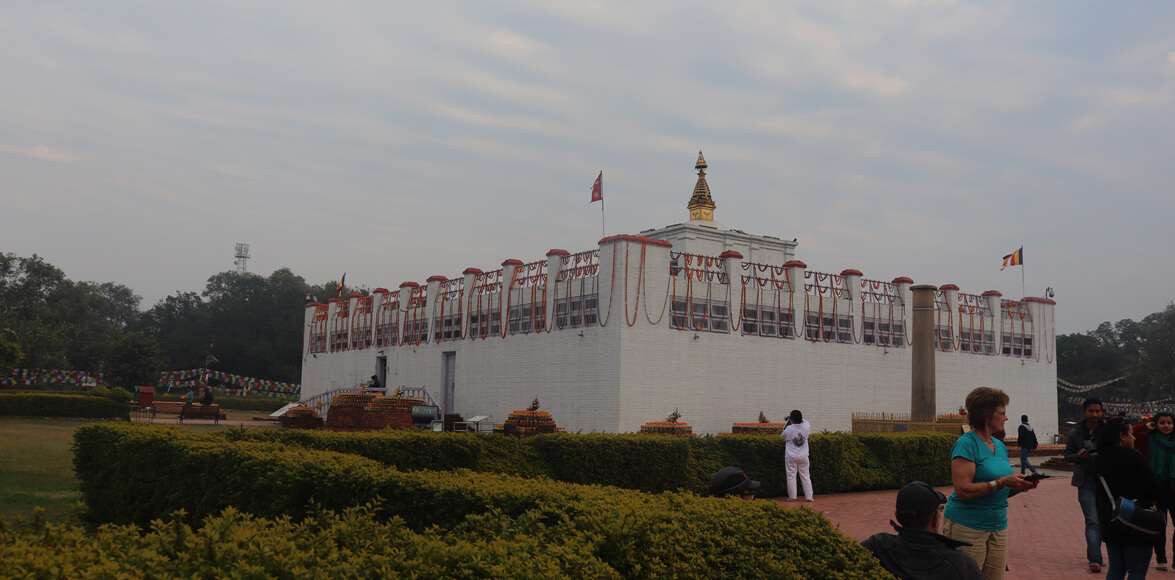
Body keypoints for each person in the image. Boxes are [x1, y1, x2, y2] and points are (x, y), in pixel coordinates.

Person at [943, 387, 1037, 580]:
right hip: (968, 527)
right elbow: (963, 490)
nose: (1006, 418)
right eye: (1002, 413)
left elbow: (1002, 489)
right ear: (987, 415)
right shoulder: (966, 444)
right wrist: (1002, 482)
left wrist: (1020, 487)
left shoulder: (999, 446)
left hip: (998, 526)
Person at [862, 481, 982, 580]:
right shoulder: (961, 565)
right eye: (939, 510)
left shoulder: (877, 546)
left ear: (897, 515)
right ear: (935, 519)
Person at [1096, 417, 1157, 579]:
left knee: (1116, 569)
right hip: (1135, 520)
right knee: (1136, 571)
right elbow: (1151, 488)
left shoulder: (1097, 459)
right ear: (1122, 436)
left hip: (1111, 520)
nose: (1134, 437)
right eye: (1131, 434)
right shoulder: (1133, 457)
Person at [1066, 397, 1106, 573]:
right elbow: (1067, 455)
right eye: (1091, 411)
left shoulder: (1108, 431)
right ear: (1084, 412)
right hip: (1086, 481)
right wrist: (1077, 456)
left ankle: (1106, 553)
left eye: (1098, 411)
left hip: (1107, 481)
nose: (1095, 414)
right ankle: (1095, 558)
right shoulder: (1075, 433)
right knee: (1092, 521)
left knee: (1105, 520)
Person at [1146, 412, 1175, 571]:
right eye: (1162, 422)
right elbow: (1135, 433)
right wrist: (1146, 426)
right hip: (1157, 488)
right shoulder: (1150, 439)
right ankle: (1161, 558)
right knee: (1159, 525)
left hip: (1174, 487)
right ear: (1155, 424)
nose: (1166, 426)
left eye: (1169, 422)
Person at [782, 409, 813, 502]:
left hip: (791, 456)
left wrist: (788, 421)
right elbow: (804, 420)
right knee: (806, 476)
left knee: (791, 476)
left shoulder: (789, 429)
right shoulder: (806, 426)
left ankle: (792, 497)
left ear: (791, 419)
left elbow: (782, 436)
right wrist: (792, 418)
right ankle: (809, 497)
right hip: (804, 456)